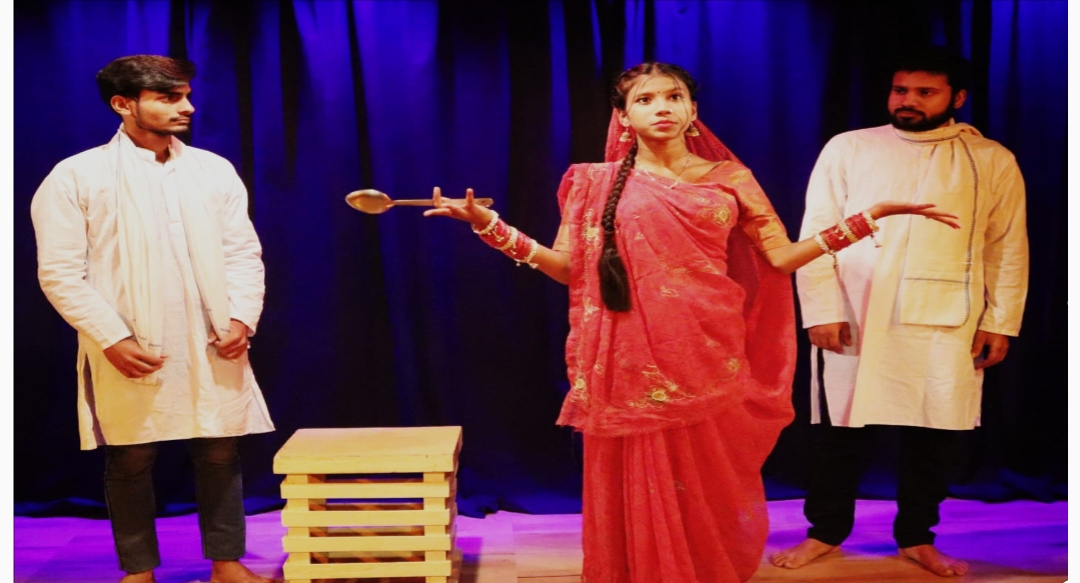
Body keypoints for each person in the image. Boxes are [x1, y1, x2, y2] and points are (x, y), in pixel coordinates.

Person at [424, 62, 957, 583]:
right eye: (645, 99)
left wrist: (869, 218)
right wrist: (492, 227)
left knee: (709, 474)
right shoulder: (593, 183)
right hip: (630, 354)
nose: (662, 107)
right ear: (623, 117)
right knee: (641, 470)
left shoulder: (731, 178)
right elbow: (568, 268)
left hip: (708, 346)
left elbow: (781, 258)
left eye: (674, 97)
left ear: (693, 110)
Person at [769, 47, 1029, 577]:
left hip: (947, 318)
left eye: (924, 92)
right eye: (900, 90)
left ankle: (916, 537)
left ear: (957, 97)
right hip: (856, 309)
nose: (908, 101)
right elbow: (816, 232)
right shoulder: (850, 147)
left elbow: (1006, 245)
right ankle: (825, 532)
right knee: (839, 433)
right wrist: (821, 308)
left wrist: (999, 320)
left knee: (935, 435)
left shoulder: (990, 159)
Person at [29, 55, 276, 583]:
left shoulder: (212, 170)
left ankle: (227, 565)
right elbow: (60, 272)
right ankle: (138, 572)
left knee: (219, 449)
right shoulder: (77, 176)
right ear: (123, 104)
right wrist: (111, 336)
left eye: (185, 95)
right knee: (131, 458)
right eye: (168, 97)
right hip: (131, 338)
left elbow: (242, 253)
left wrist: (241, 317)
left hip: (210, 336)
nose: (187, 107)